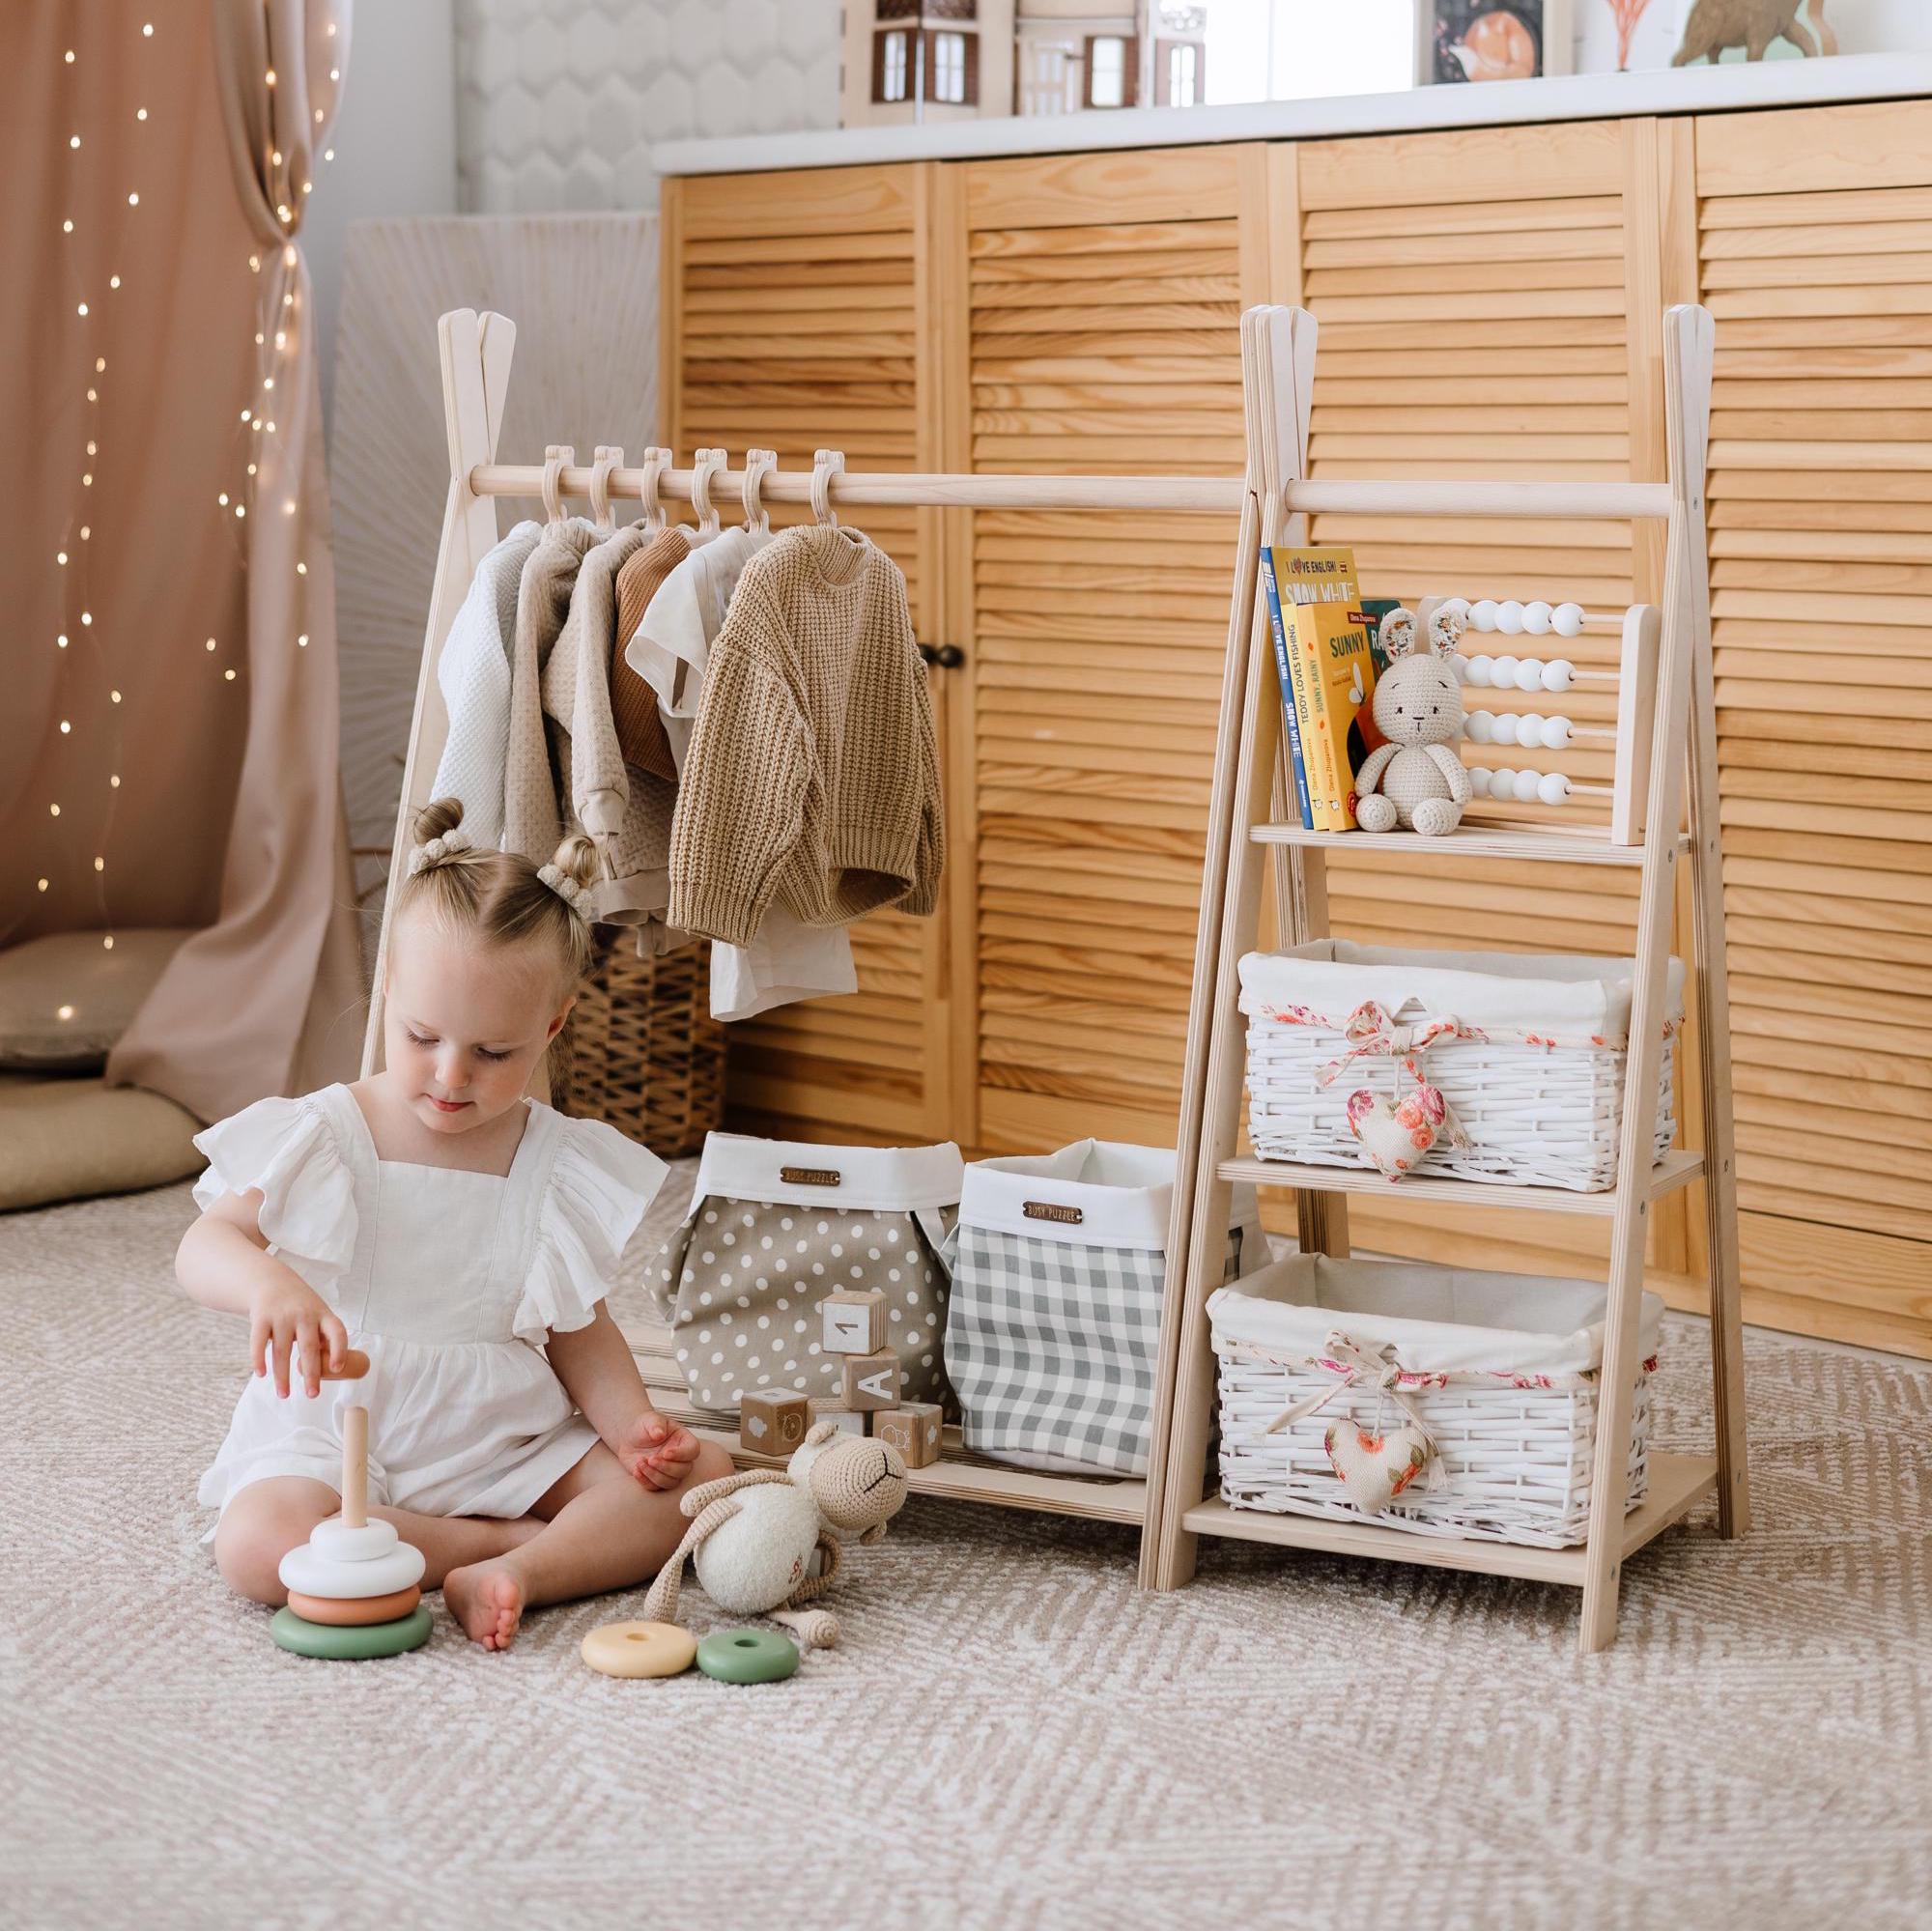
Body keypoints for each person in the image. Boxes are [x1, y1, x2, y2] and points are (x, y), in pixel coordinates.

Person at [176, 798, 732, 1649]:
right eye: (422, 1035)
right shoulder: (326, 1131)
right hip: (336, 1430)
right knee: (257, 1548)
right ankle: (495, 1545)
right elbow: (204, 1243)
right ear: (388, 987)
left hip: (498, 1435)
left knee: (702, 1482)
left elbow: (578, 1332)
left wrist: (632, 1428)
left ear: (549, 1028)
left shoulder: (553, 1159)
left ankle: (517, 1575)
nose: (449, 1074)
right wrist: (268, 1283)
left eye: (493, 1052)